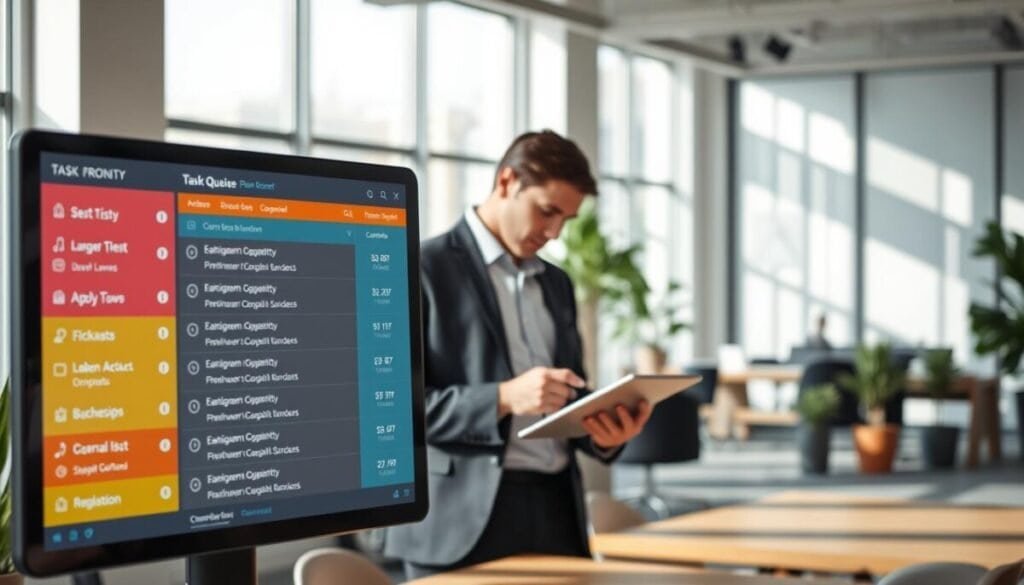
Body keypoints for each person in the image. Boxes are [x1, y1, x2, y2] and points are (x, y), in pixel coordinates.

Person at [384, 130, 651, 579]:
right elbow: (392, 411)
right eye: (547, 211)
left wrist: (603, 432)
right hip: (460, 517)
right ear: (507, 182)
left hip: (556, 508)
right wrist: (504, 397)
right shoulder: (418, 267)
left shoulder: (557, 283)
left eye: (565, 220)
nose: (553, 232)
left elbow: (571, 394)